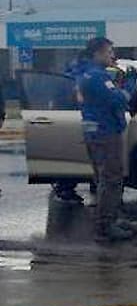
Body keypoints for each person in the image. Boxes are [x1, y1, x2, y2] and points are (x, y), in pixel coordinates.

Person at [77, 37, 137, 241]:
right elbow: (118, 100)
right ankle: (105, 225)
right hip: (105, 132)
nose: (112, 56)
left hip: (97, 132)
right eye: (109, 52)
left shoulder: (88, 74)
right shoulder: (96, 76)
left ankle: (112, 217)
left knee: (104, 178)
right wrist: (130, 84)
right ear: (97, 53)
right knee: (111, 178)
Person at [52, 51, 96, 204]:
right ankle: (92, 184)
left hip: (66, 120)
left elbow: (56, 100)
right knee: (95, 155)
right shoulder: (93, 74)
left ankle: (65, 186)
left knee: (70, 155)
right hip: (90, 120)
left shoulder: (66, 76)